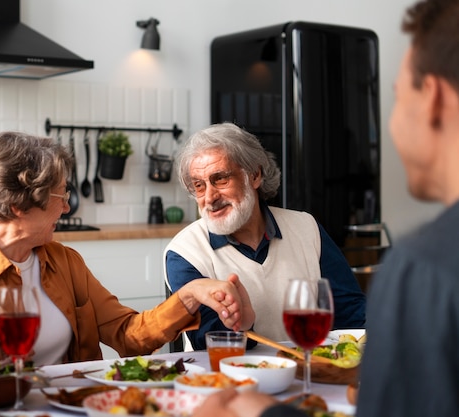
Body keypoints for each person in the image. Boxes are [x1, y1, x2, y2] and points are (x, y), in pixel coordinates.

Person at [193, 0, 459, 416]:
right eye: (198, 185)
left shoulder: (426, 268)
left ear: (435, 99)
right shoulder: (188, 250)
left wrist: (262, 412)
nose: (387, 125)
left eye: (398, 98)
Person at [0, 131, 254, 365]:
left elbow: (127, 335)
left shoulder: (64, 261)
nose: (67, 209)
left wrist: (189, 294)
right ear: (19, 206)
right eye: (61, 197)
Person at [165, 122, 366, 349]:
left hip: (312, 374)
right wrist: (242, 325)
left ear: (255, 175)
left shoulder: (306, 227)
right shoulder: (185, 252)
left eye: (220, 179)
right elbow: (208, 343)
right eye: (199, 186)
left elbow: (352, 315)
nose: (209, 197)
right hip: (231, 381)